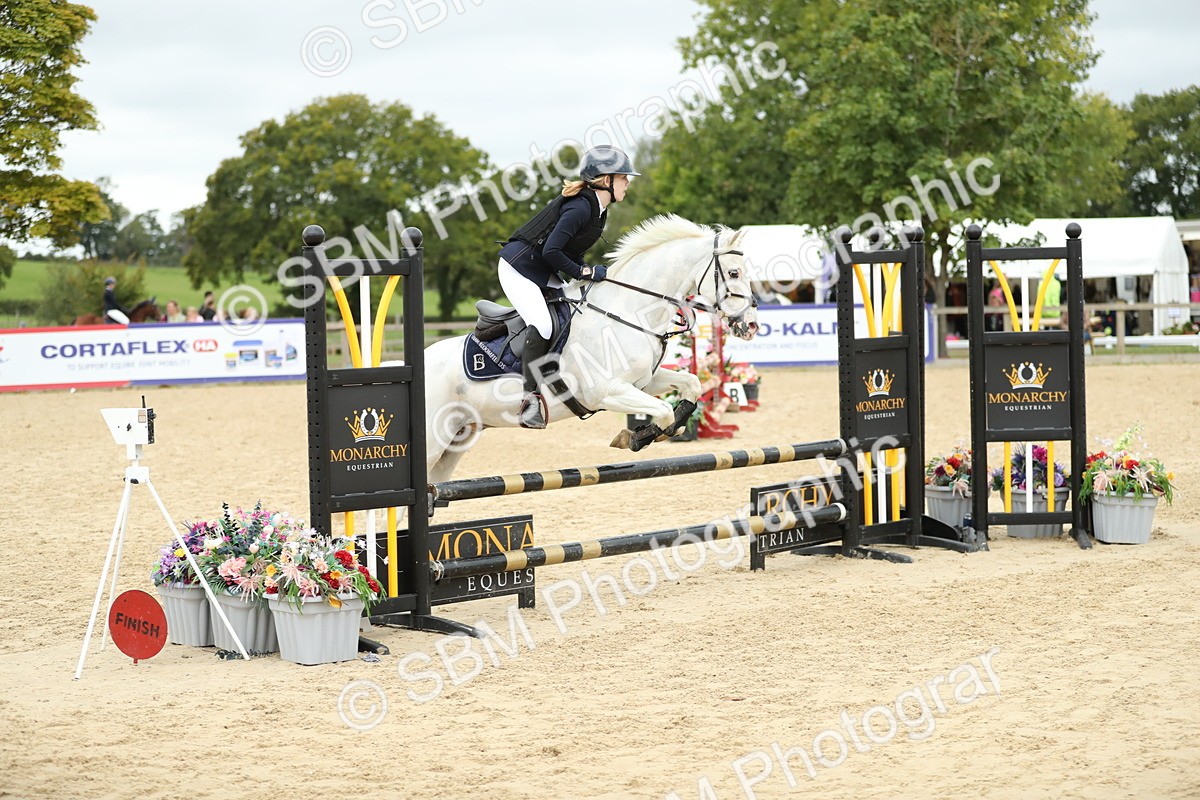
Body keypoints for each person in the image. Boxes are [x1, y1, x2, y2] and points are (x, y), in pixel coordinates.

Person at [497, 145, 639, 429]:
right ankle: (529, 400)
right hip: (519, 268)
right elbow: (552, 251)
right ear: (605, 179)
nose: (628, 182)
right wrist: (585, 272)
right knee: (544, 324)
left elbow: (569, 252)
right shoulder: (579, 207)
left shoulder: (599, 210)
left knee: (574, 316)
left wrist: (589, 273)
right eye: (624, 177)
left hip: (543, 269)